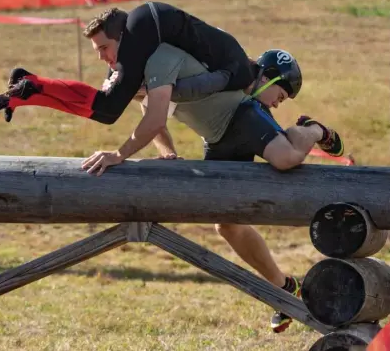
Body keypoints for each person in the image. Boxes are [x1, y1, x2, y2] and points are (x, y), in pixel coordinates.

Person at [81, 44, 345, 333]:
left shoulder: (242, 91)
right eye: (280, 95)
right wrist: (169, 153)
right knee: (226, 225)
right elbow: (150, 114)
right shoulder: (170, 75)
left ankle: (314, 130)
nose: (278, 104)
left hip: (244, 118)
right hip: (221, 136)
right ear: (266, 77)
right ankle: (285, 288)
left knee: (287, 158)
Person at [0, 2, 255, 124]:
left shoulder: (237, 65)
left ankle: (28, 90)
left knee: (106, 109)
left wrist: (153, 90)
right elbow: (198, 88)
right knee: (108, 109)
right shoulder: (238, 73)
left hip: (148, 21)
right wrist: (158, 90)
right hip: (148, 24)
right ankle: (32, 84)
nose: (101, 57)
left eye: (103, 48)